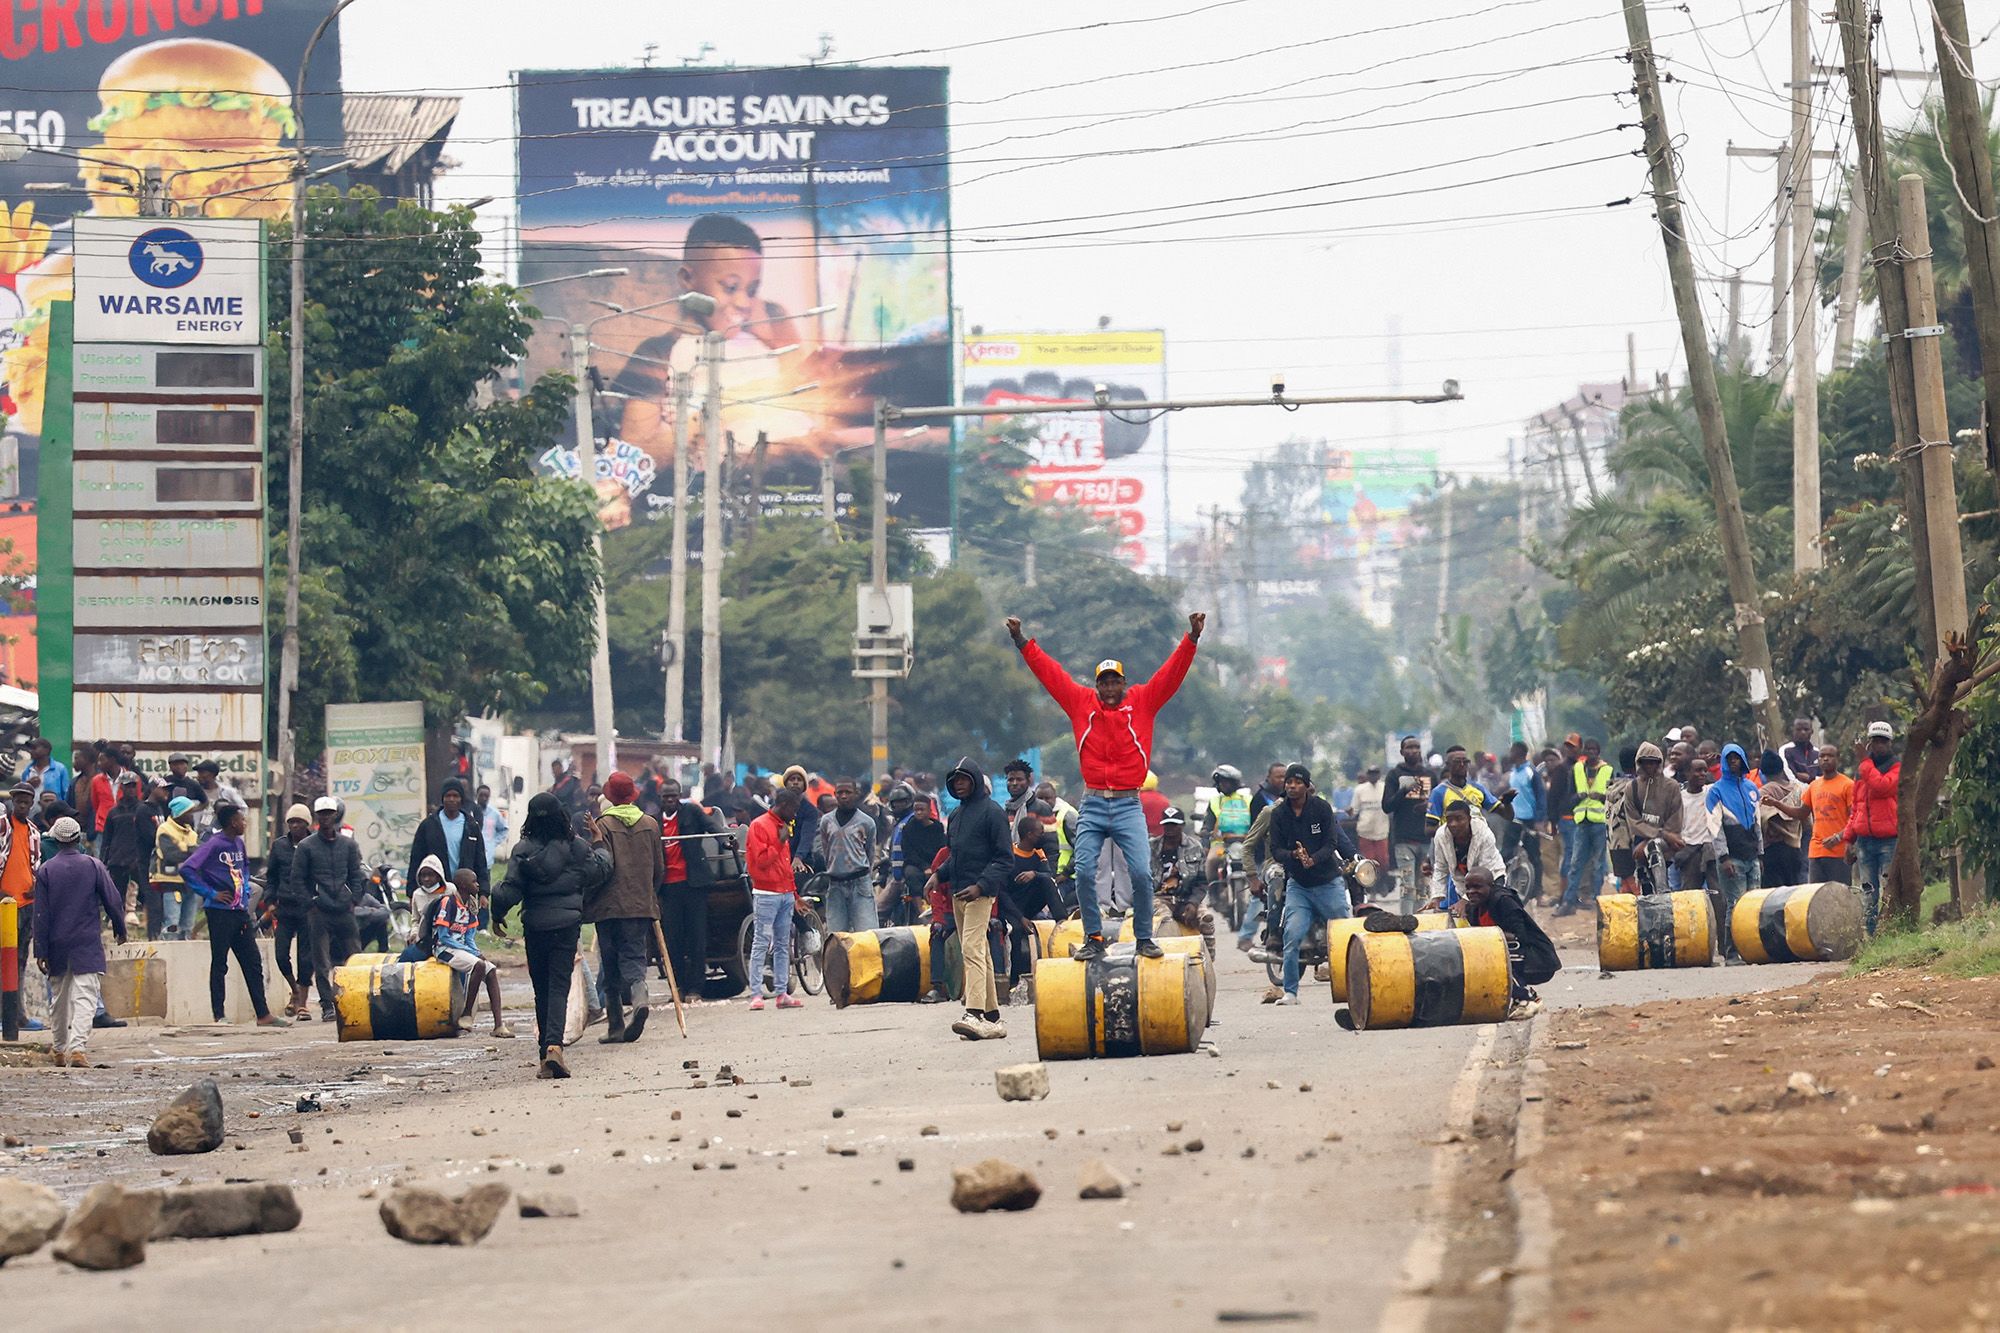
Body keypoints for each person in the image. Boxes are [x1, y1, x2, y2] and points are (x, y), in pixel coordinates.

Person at [1008, 611, 1203, 962]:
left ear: (1124, 683)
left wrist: (1191, 638)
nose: (1110, 688)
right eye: (1104, 682)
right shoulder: (1080, 702)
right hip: (1094, 803)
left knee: (1142, 873)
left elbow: (1171, 674)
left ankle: (1144, 937)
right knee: (1083, 871)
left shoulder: (1143, 701)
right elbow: (1050, 674)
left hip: (1129, 804)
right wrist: (1022, 641)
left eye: (1116, 682)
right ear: (1097, 685)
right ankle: (1093, 937)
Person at [493, 793, 609, 1077]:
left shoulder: (522, 851)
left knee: (541, 989)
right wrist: (599, 841)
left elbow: (509, 890)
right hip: (567, 926)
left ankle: (546, 1049)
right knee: (559, 986)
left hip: (535, 926)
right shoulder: (578, 848)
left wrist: (497, 913)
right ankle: (553, 1047)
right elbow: (602, 870)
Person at [29, 817, 125, 1066]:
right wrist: (119, 927)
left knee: (59, 999)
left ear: (57, 841)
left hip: (56, 943)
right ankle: (78, 1049)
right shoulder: (93, 865)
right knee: (86, 996)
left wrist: (40, 949)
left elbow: (41, 914)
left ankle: (60, 1049)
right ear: (78, 838)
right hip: (86, 941)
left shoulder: (47, 870)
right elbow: (113, 900)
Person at [180, 802, 285, 1026]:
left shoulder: (238, 843)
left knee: (252, 961)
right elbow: (187, 868)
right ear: (232, 822)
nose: (244, 823)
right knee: (220, 962)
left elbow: (244, 868)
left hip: (239, 911)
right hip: (219, 912)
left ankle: (263, 1014)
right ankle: (219, 1015)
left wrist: (245, 891)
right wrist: (210, 893)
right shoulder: (214, 844)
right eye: (241, 820)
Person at [1266, 763, 1355, 1005]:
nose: (1292, 786)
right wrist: (1294, 857)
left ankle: (1354, 984)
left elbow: (1332, 843)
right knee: (1292, 935)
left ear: (1307, 785)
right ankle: (1291, 992)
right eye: (1288, 782)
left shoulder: (1321, 808)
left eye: (1297, 782)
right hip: (1299, 887)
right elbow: (1276, 850)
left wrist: (1313, 859)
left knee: (1345, 935)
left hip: (1328, 882)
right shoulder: (1278, 814)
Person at [585, 771, 664, 1043]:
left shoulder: (602, 825)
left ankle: (616, 1027)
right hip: (640, 904)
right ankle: (640, 997)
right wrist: (649, 894)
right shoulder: (651, 824)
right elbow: (659, 869)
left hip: (608, 907)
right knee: (634, 957)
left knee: (610, 965)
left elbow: (599, 868)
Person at [939, 757, 1012, 1039]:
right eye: (955, 781)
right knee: (979, 949)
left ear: (976, 781)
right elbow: (954, 857)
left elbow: (1004, 860)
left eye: (964, 779)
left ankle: (974, 1013)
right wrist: (939, 876)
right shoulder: (956, 816)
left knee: (970, 948)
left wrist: (981, 887)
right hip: (958, 890)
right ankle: (993, 1017)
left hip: (980, 894)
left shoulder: (992, 813)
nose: (959, 785)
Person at [290, 795, 369, 1024]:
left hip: (344, 908)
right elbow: (297, 880)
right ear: (316, 817)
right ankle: (327, 1005)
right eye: (321, 814)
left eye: (329, 813)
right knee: (321, 961)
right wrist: (311, 902)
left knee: (354, 956)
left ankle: (357, 999)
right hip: (319, 911)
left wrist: (353, 899)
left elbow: (357, 875)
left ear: (336, 815)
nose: (326, 818)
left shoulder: (348, 845)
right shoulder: (307, 846)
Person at [1455, 868, 1556, 1017]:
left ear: (1491, 886)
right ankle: (1528, 996)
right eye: (1468, 888)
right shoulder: (1473, 908)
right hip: (1513, 951)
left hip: (1537, 957)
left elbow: (1520, 935)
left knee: (1494, 961)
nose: (1471, 892)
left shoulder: (1503, 901)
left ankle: (1525, 998)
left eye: (1477, 887)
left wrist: (1490, 937)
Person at [657, 779, 721, 1001]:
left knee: (696, 938)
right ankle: (678, 988)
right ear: (661, 798)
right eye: (666, 796)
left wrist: (725, 840)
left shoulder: (692, 812)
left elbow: (713, 827)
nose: (670, 800)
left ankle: (695, 988)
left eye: (673, 795)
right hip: (668, 888)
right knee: (673, 941)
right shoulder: (654, 821)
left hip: (694, 885)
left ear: (679, 795)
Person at [744, 786, 806, 1013]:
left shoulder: (781, 826)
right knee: (761, 942)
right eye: (794, 809)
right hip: (766, 893)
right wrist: (779, 842)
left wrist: (794, 894)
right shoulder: (760, 825)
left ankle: (782, 993)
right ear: (784, 806)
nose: (796, 814)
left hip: (785, 893)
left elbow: (784, 867)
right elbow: (760, 862)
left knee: (782, 944)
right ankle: (756, 994)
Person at [434, 868, 513, 1038]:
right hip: (444, 949)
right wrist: (471, 953)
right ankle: (467, 1014)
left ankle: (498, 1025)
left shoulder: (471, 906)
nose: (478, 885)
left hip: (461, 949)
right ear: (462, 884)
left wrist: (476, 951)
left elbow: (469, 937)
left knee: (490, 970)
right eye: (474, 881)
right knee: (478, 965)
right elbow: (443, 936)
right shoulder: (448, 903)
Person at [997, 812, 1064, 1000]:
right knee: (1017, 931)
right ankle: (1014, 980)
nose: (1043, 836)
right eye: (1039, 833)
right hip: (1010, 908)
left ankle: (1062, 920)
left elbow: (1049, 877)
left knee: (1046, 881)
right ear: (1028, 835)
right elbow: (1002, 893)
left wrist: (1035, 873)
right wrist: (1019, 917)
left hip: (1028, 903)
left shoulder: (1038, 854)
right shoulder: (1009, 855)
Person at [1844, 721, 1900, 935]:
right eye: (1875, 740)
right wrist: (1849, 839)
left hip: (1888, 840)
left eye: (1883, 741)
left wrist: (1865, 762)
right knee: (1868, 892)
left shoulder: (1896, 766)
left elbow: (1882, 787)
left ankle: (1889, 932)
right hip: (1864, 841)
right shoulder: (1862, 771)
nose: (1879, 745)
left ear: (1890, 743)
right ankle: (1870, 935)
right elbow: (1856, 807)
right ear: (1869, 743)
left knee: (1889, 889)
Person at [1707, 744, 1762, 960]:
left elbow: (1757, 823)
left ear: (1743, 760)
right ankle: (1731, 953)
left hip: (1752, 856)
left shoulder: (1751, 788)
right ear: (1723, 762)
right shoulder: (1716, 791)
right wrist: (1723, 857)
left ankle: (1752, 950)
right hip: (1732, 858)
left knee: (1754, 905)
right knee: (1735, 906)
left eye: (1736, 758)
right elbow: (1715, 828)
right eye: (1728, 759)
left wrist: (1761, 853)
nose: (1733, 762)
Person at [264, 803, 316, 1019]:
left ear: (307, 824)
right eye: (291, 822)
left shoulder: (315, 845)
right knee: (280, 955)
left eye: (299, 822)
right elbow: (272, 876)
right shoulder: (279, 846)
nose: (295, 826)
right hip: (284, 907)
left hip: (307, 908)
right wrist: (270, 901)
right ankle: (294, 990)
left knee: (306, 958)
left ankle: (302, 1003)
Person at [815, 776, 880, 935]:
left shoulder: (867, 822)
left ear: (856, 794)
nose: (844, 796)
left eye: (848, 792)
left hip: (860, 882)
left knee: (867, 935)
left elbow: (870, 851)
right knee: (837, 936)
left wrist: (865, 873)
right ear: (835, 794)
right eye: (840, 793)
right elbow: (825, 849)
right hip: (835, 883)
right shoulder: (826, 821)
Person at [409, 780, 489, 906]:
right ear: (442, 798)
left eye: (455, 796)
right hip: (436, 890)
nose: (452, 799)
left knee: (463, 924)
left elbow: (480, 861)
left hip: (464, 890)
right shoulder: (428, 825)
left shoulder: (471, 825)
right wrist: (411, 892)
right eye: (448, 796)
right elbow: (416, 859)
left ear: (461, 799)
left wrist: (484, 892)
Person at [1555, 737, 1611, 916]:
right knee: (1576, 863)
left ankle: (1597, 900)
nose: (1592, 752)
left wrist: (1601, 797)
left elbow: (1612, 798)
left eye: (1595, 750)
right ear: (1584, 751)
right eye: (1589, 749)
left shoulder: (1607, 770)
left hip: (1599, 823)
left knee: (1598, 864)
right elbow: (1569, 797)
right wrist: (1579, 797)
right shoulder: (1577, 769)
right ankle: (1569, 902)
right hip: (1581, 822)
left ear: (1599, 752)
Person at [1152, 805, 1216, 960]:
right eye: (1167, 824)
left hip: (1186, 897)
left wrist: (1193, 903)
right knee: (1165, 922)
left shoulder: (1195, 847)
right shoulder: (1151, 847)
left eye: (1174, 824)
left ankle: (1207, 960)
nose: (1170, 828)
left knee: (1206, 919)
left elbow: (1201, 882)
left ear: (1182, 825)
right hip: (1159, 898)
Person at [1621, 742, 1682, 894]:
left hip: (1669, 842)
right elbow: (1634, 821)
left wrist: (1661, 836)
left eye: (1653, 762)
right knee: (1644, 881)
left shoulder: (1672, 787)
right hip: (1640, 841)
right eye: (1645, 762)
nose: (1649, 766)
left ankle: (1663, 890)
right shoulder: (1632, 788)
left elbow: (1675, 819)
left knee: (1653, 847)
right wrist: (1656, 835)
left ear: (1659, 763)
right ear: (1639, 763)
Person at [1426, 801, 1509, 911]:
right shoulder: (1441, 835)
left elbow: (1485, 872)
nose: (1453, 824)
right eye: (1449, 820)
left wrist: (1465, 901)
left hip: (1491, 880)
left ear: (1469, 818)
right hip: (1465, 884)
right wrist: (1437, 897)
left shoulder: (1484, 834)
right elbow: (1441, 868)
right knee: (1469, 918)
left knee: (1491, 914)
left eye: (1459, 819)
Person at [1382, 736, 1432, 914]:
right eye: (1409, 748)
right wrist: (1402, 791)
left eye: (1417, 747)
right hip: (1404, 840)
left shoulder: (1429, 775)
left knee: (1424, 888)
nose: (1413, 751)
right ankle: (1407, 922)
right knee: (1408, 886)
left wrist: (1428, 806)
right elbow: (1386, 806)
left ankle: (1423, 923)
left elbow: (1439, 801)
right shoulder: (1395, 775)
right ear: (1402, 752)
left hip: (1427, 838)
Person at [889, 788, 948, 927]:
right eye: (916, 810)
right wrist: (924, 867)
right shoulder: (908, 828)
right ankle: (920, 909)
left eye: (922, 809)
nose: (919, 813)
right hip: (915, 864)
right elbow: (909, 853)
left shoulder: (938, 828)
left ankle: (939, 909)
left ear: (929, 810)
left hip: (934, 864)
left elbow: (942, 850)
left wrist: (934, 867)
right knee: (911, 874)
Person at [100, 774, 153, 927]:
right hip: (117, 856)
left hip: (138, 856)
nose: (130, 789)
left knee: (138, 889)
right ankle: (116, 916)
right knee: (117, 889)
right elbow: (107, 838)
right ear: (122, 787)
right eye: (127, 786)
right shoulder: (113, 812)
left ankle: (134, 914)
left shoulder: (142, 809)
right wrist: (104, 859)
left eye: (132, 786)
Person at [152, 795, 203, 941]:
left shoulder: (192, 833)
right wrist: (190, 850)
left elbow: (199, 854)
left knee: (187, 926)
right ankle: (169, 956)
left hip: (190, 884)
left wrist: (186, 850)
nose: (192, 815)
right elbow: (171, 855)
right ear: (180, 813)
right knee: (172, 924)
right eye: (189, 812)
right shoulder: (165, 830)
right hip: (171, 882)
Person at [1804, 744, 1856, 885]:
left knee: (1839, 896)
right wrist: (1776, 804)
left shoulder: (1848, 785)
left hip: (1839, 852)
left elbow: (1855, 818)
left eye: (1830, 756)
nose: (1825, 759)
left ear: (1838, 759)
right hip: (1816, 851)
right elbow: (1802, 812)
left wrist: (1839, 837)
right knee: (1815, 897)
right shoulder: (1814, 786)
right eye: (1822, 756)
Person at [1755, 749, 1807, 888]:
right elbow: (1807, 821)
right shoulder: (1797, 789)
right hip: (1795, 848)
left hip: (1773, 850)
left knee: (1774, 896)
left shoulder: (1765, 791)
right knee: (1794, 891)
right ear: (1781, 768)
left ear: (1763, 772)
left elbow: (1760, 819)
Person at [1425, 746, 1493, 827]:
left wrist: (1507, 803)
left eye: (1465, 762)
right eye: (1457, 762)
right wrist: (1453, 830)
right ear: (1448, 765)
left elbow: (1504, 813)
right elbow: (1429, 829)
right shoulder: (1439, 792)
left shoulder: (1478, 788)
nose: (1462, 765)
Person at [1350, 764, 1390, 882]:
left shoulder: (1385, 787)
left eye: (1375, 773)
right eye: (1371, 773)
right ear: (1367, 775)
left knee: (1383, 860)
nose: (1373, 776)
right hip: (1365, 830)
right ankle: (1370, 887)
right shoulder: (1359, 790)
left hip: (1381, 830)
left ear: (1379, 775)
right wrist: (1349, 812)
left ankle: (1382, 882)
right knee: (1368, 860)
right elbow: (1354, 810)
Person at [780, 765, 821, 875]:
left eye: (799, 780)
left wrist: (798, 857)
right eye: (792, 779)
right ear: (786, 783)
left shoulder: (810, 810)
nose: (795, 782)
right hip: (778, 860)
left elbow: (807, 836)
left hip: (801, 861)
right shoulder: (777, 807)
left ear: (804, 785)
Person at [190, 760, 242, 834]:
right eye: (198, 773)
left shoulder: (227, 792)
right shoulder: (195, 793)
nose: (199, 776)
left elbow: (243, 808)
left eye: (202, 773)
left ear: (212, 774)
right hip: (200, 834)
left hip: (223, 833)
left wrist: (234, 824)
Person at [24, 737, 70, 804]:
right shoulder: (28, 770)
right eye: (30, 748)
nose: (31, 751)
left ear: (46, 750)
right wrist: (28, 785)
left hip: (54, 812)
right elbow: (21, 793)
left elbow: (66, 794)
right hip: (31, 812)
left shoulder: (60, 769)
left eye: (34, 748)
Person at [475, 783, 508, 857]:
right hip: (473, 850)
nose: (484, 798)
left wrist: (494, 842)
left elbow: (504, 829)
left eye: (486, 796)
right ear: (476, 795)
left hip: (487, 853)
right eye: (481, 795)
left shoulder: (495, 813)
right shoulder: (470, 811)